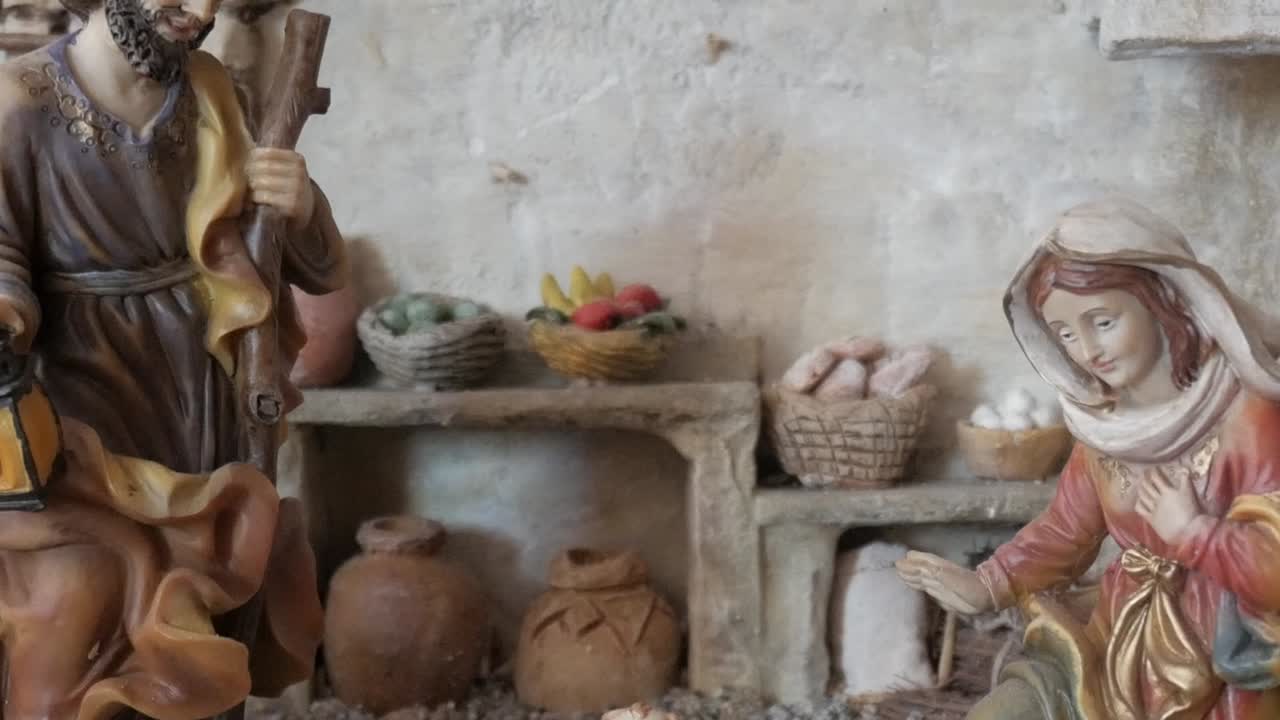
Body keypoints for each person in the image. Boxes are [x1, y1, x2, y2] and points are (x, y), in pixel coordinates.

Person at [0, 0, 338, 717]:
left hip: (198, 382)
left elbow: (279, 245)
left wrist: (300, 206)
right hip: (80, 396)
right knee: (84, 597)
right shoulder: (19, 99)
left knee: (215, 589)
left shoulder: (214, 92)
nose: (200, 10)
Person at [897, 198, 1280, 719]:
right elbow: (1064, 533)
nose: (1088, 352)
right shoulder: (1104, 427)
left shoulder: (1249, 416)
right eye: (1067, 334)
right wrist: (987, 584)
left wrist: (1195, 533)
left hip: (1228, 670)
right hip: (1115, 648)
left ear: (1163, 300)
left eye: (1102, 321)